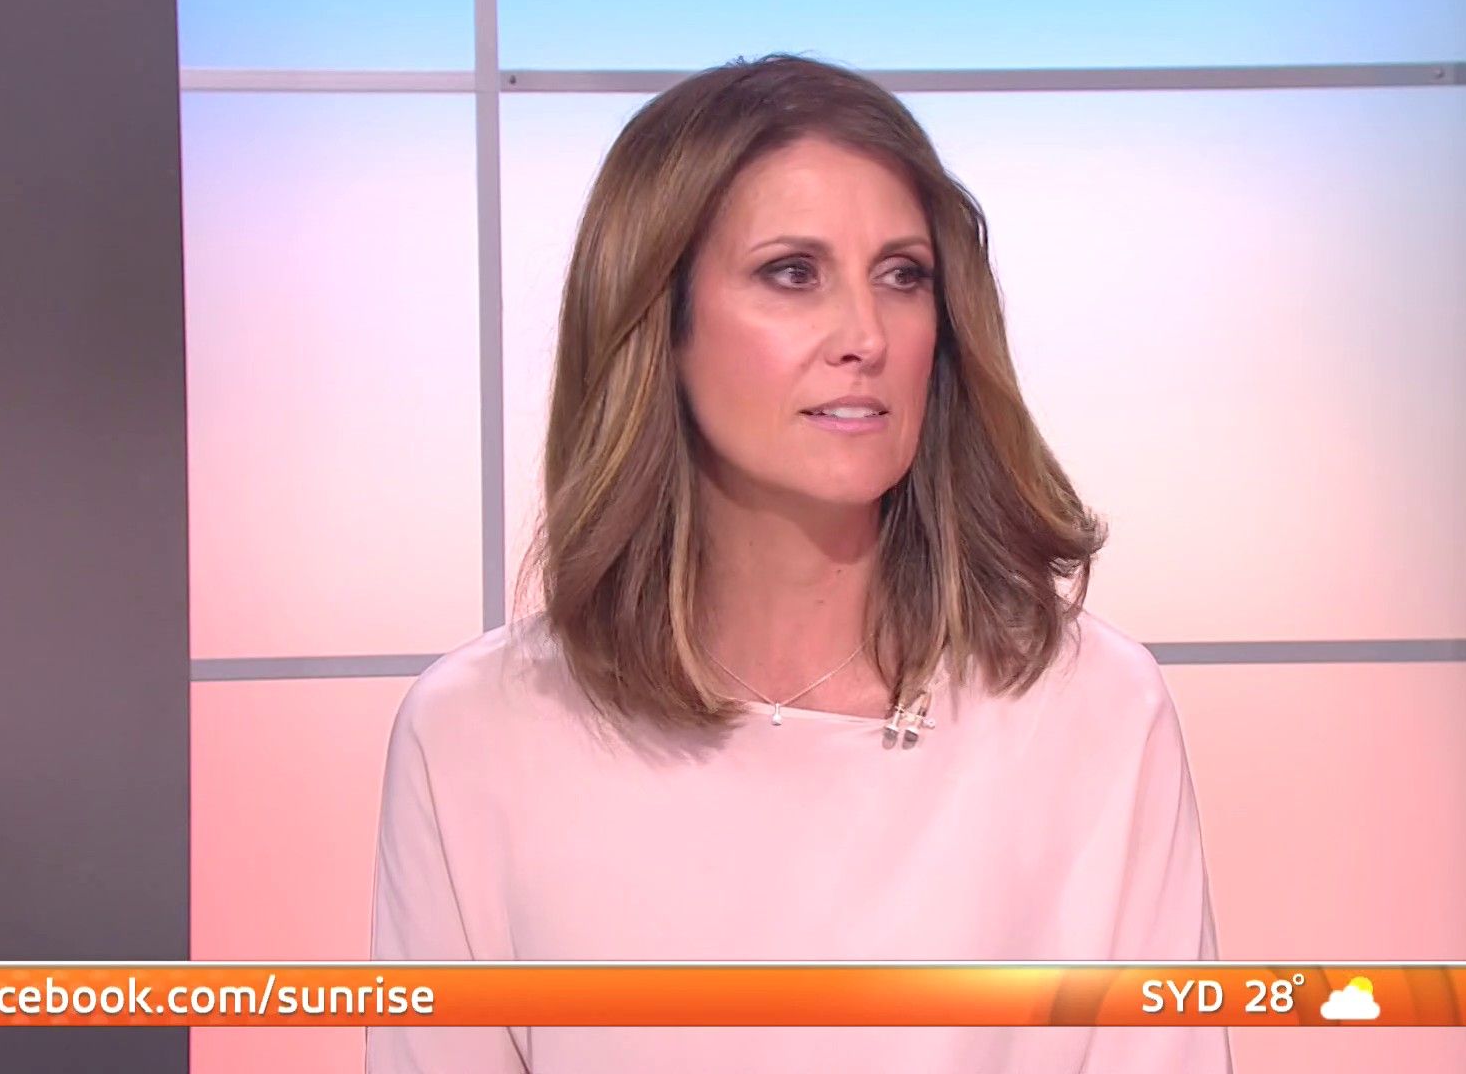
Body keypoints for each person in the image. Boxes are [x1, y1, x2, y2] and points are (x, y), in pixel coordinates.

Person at [366, 53, 1231, 1073]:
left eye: (903, 277)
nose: (866, 335)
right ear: (659, 323)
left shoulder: (1093, 711)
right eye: (793, 273)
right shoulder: (477, 734)